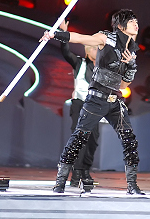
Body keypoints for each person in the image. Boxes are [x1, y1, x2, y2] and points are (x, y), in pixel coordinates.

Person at [42, 9, 144, 194]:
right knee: (79, 138)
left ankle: (132, 185)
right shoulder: (106, 38)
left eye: (136, 21)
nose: (136, 24)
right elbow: (81, 38)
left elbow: (124, 84)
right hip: (96, 99)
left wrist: (131, 65)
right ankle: (61, 181)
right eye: (131, 21)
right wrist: (55, 34)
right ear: (121, 26)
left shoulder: (131, 49)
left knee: (129, 140)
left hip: (115, 100)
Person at [57, 20, 100, 187]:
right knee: (80, 139)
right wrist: (63, 33)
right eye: (95, 49)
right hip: (80, 104)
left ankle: (85, 170)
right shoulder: (79, 63)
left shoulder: (102, 69)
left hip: (95, 107)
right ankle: (76, 175)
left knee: (93, 140)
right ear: (89, 50)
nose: (97, 51)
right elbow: (66, 51)